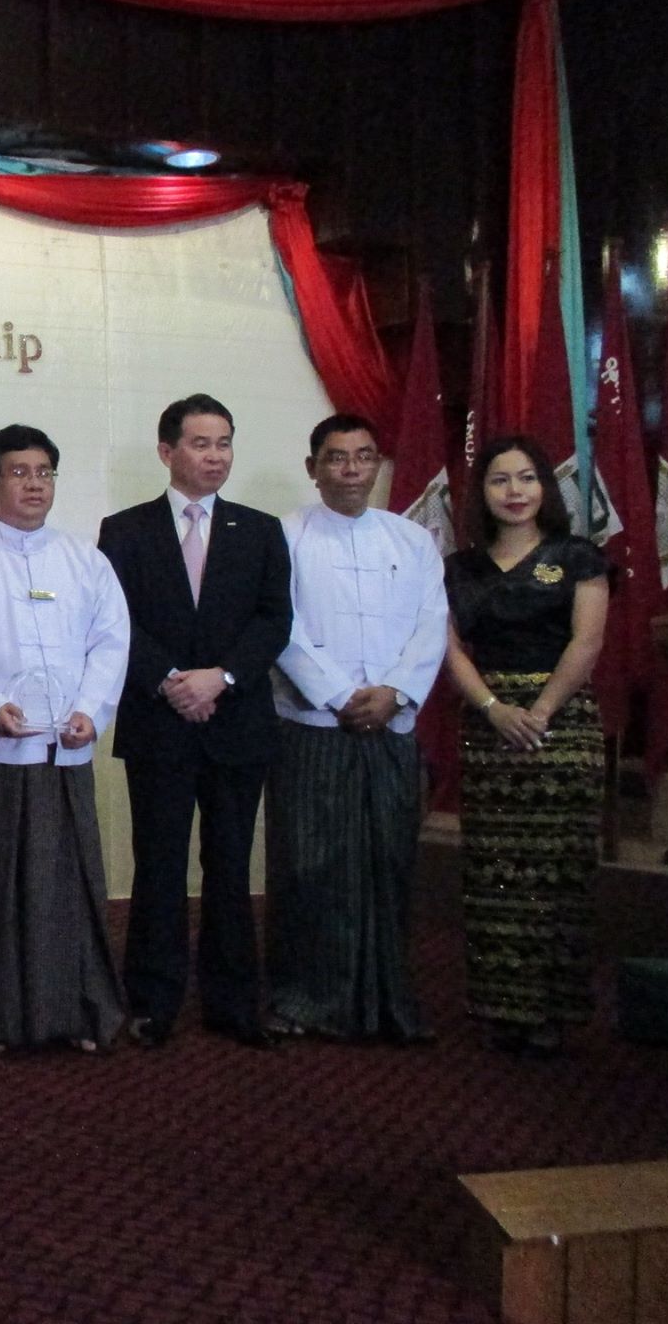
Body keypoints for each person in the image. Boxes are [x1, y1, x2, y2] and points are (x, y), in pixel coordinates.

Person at [97, 393, 291, 1049]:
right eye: (201, 443)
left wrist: (222, 677)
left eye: (224, 443)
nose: (216, 456)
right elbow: (115, 621)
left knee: (231, 867)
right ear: (167, 451)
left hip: (238, 722)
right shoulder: (124, 530)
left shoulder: (260, 531)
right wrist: (172, 680)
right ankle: (153, 1001)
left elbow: (274, 620)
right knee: (158, 865)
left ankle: (233, 1002)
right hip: (159, 721)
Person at [0, 426, 131, 1055]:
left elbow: (111, 642)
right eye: (18, 472)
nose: (34, 484)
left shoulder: (84, 559)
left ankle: (73, 1010)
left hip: (64, 749)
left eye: (44, 472)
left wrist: (90, 711)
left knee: (65, 886)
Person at [267, 413, 448, 1043]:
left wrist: (395, 692)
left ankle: (385, 1002)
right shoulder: (283, 536)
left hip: (391, 726)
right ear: (312, 467)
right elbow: (279, 626)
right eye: (337, 458)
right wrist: (341, 694)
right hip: (313, 726)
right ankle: (304, 1000)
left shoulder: (412, 540)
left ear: (377, 465)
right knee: (310, 865)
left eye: (364, 456)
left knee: (388, 862)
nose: (351, 470)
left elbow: (432, 624)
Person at [442, 434, 608, 1056]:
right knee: (495, 872)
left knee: (557, 871)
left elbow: (586, 642)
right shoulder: (459, 568)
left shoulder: (578, 557)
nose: (514, 492)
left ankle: (551, 1011)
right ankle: (501, 1006)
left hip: (561, 725)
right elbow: (449, 648)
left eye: (527, 478)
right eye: (500, 480)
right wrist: (493, 708)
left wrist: (538, 711)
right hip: (489, 725)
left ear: (545, 487)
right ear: (482, 493)